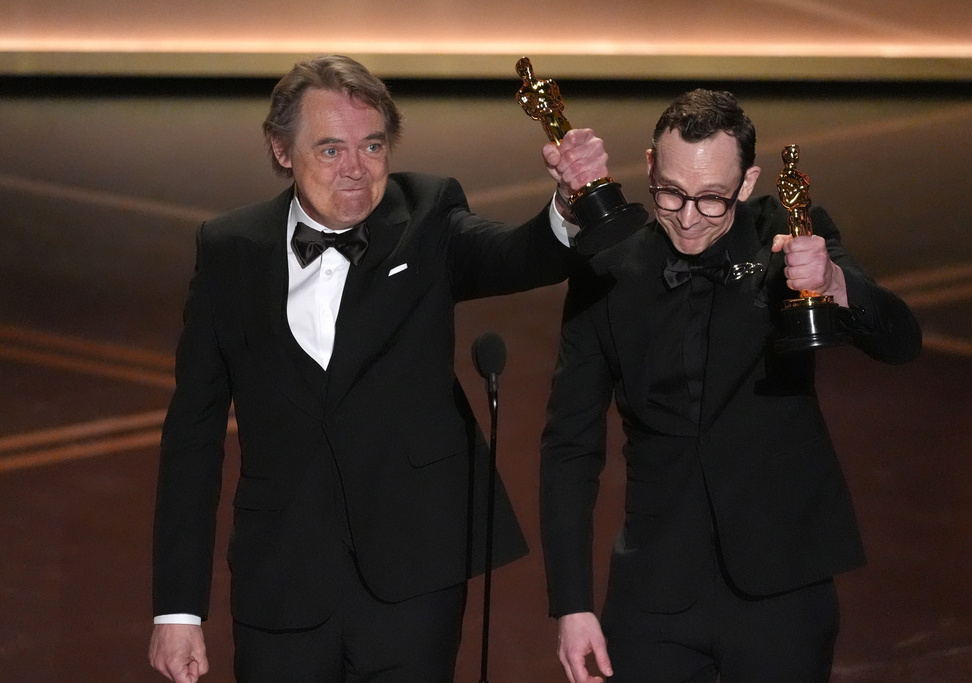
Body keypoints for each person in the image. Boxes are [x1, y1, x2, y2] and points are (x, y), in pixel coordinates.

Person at [149, 54, 624, 683]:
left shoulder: (426, 216)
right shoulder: (229, 250)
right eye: (330, 149)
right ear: (281, 150)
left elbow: (515, 254)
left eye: (372, 146)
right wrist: (177, 610)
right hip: (282, 576)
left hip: (413, 574)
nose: (356, 170)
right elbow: (193, 437)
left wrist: (567, 207)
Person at [540, 89, 922, 683]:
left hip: (783, 586)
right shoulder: (607, 268)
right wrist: (571, 603)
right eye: (670, 192)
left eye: (712, 199)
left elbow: (901, 343)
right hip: (654, 591)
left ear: (746, 184)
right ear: (648, 167)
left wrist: (837, 284)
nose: (688, 217)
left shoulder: (791, 237)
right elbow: (569, 445)